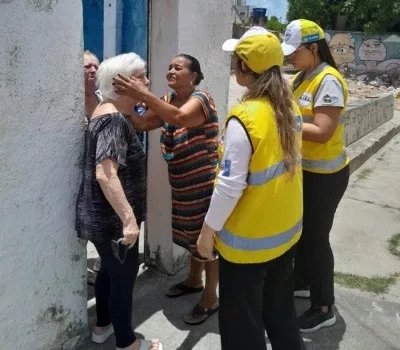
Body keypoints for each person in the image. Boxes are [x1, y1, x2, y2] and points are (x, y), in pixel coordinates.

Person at [197, 27, 305, 350]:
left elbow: (229, 187)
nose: (233, 66)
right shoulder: (289, 108)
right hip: (285, 237)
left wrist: (207, 232)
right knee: (280, 313)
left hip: (248, 248)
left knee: (241, 326)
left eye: (236, 60)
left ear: (244, 68)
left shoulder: (244, 117)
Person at [113, 54, 219, 325]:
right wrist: (133, 102)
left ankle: (210, 297)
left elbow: (180, 118)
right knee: (190, 235)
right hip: (182, 182)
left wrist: (144, 95)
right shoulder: (167, 100)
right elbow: (143, 122)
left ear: (193, 75)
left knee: (207, 240)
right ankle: (194, 281)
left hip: (203, 184)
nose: (170, 70)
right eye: (169, 66)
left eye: (178, 67)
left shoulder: (201, 99)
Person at [75, 52, 162, 350]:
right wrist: (128, 220)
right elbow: (105, 173)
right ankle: (128, 343)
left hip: (100, 219)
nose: (147, 81)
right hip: (113, 222)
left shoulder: (105, 110)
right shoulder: (113, 119)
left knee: (110, 272)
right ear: (121, 83)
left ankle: (103, 326)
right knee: (124, 280)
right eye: (141, 76)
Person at [281, 19, 350, 333]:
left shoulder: (328, 80)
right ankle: (303, 282)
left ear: (313, 47)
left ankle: (324, 307)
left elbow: (323, 131)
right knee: (303, 234)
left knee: (316, 239)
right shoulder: (300, 78)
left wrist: (280, 124)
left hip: (326, 175)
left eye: (295, 51)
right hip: (305, 171)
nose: (289, 57)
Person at [84, 50, 101, 117]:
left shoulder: (101, 97)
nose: (94, 70)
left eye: (96, 67)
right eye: (87, 66)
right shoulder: (71, 98)